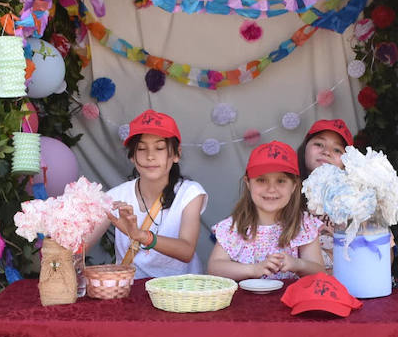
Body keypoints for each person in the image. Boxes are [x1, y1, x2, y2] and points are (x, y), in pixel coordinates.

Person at [102, 109, 208, 279]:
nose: (150, 156)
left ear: (176, 154)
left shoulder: (190, 193)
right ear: (132, 156)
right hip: (131, 293)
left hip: (182, 292)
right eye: (142, 149)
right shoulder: (115, 197)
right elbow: (82, 244)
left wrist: (141, 236)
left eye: (159, 148)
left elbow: (186, 250)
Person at [208, 141, 325, 281]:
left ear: (294, 186)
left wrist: (298, 264)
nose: (271, 189)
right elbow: (214, 268)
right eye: (261, 180)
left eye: (281, 181)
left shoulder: (304, 224)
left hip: (291, 300)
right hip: (246, 301)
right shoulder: (234, 227)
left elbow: (319, 272)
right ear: (248, 183)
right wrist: (253, 269)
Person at [297, 119, 355, 271]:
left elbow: (384, 251)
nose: (327, 152)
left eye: (337, 150)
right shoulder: (286, 192)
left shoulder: (358, 198)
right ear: (305, 148)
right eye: (319, 144)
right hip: (299, 281)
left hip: (346, 282)